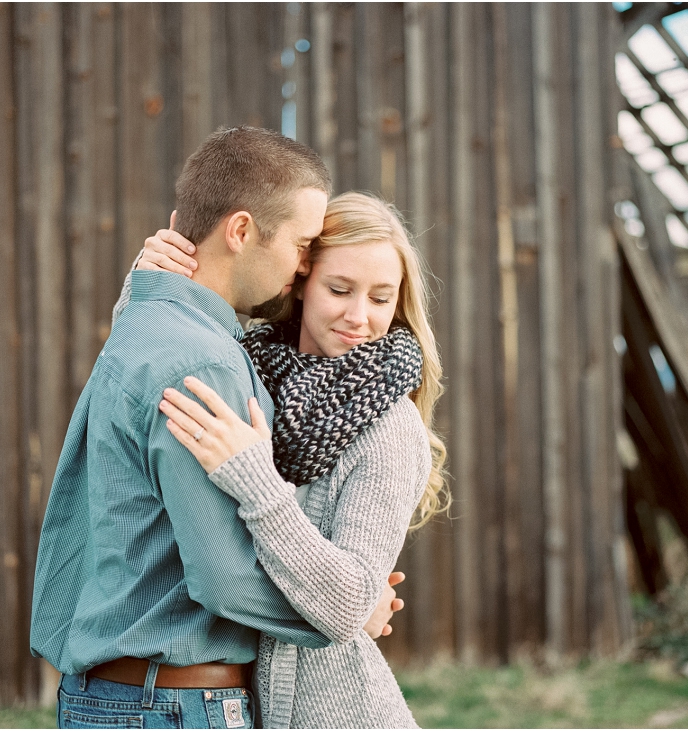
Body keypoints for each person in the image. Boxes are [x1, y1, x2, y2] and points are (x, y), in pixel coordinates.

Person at [30, 127, 400, 730]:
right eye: (302, 244)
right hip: (171, 705)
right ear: (241, 231)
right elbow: (224, 579)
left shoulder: (147, 322)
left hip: (126, 697)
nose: (304, 264)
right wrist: (349, 612)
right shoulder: (203, 363)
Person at [127, 191, 449, 728]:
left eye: (381, 298)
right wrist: (147, 287)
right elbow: (150, 377)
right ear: (300, 279)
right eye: (339, 289)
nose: (358, 317)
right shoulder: (244, 368)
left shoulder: (389, 427)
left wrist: (257, 481)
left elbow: (348, 600)